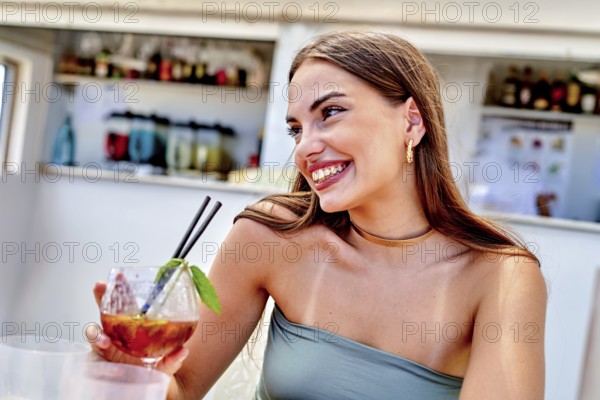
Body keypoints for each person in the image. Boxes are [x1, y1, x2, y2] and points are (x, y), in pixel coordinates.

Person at [88, 31, 547, 399]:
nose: (305, 145)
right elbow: (181, 389)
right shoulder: (267, 237)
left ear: (410, 122)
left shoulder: (499, 278)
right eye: (296, 128)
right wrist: (136, 376)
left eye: (330, 112)